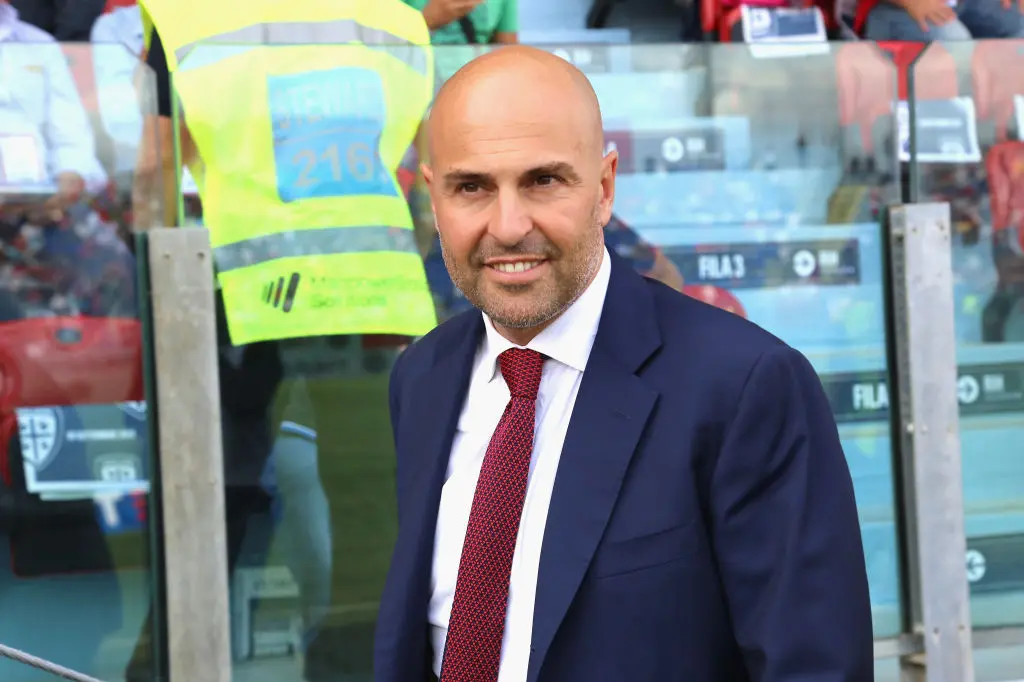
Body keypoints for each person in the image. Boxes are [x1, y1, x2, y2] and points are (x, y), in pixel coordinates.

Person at [374, 46, 873, 682]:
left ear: (604, 188)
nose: (507, 225)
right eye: (471, 187)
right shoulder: (422, 379)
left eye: (542, 181)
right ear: (433, 199)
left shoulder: (743, 386)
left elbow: (814, 667)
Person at [854, 0, 1024, 40]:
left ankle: (1008, 123)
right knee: (954, 39)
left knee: (1019, 20)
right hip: (896, 7)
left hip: (959, 4)